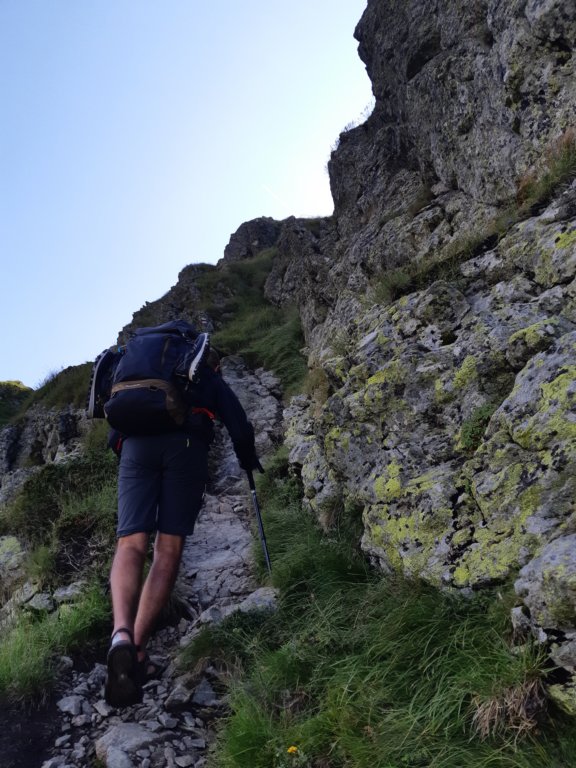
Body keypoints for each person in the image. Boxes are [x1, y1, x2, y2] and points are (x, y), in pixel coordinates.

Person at [104, 347, 261, 708]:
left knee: (130, 544)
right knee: (167, 549)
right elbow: (236, 420)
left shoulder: (143, 368)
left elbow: (114, 431)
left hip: (135, 446)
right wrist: (247, 458)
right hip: (185, 445)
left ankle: (120, 636)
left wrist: (131, 453)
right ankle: (137, 650)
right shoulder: (198, 366)